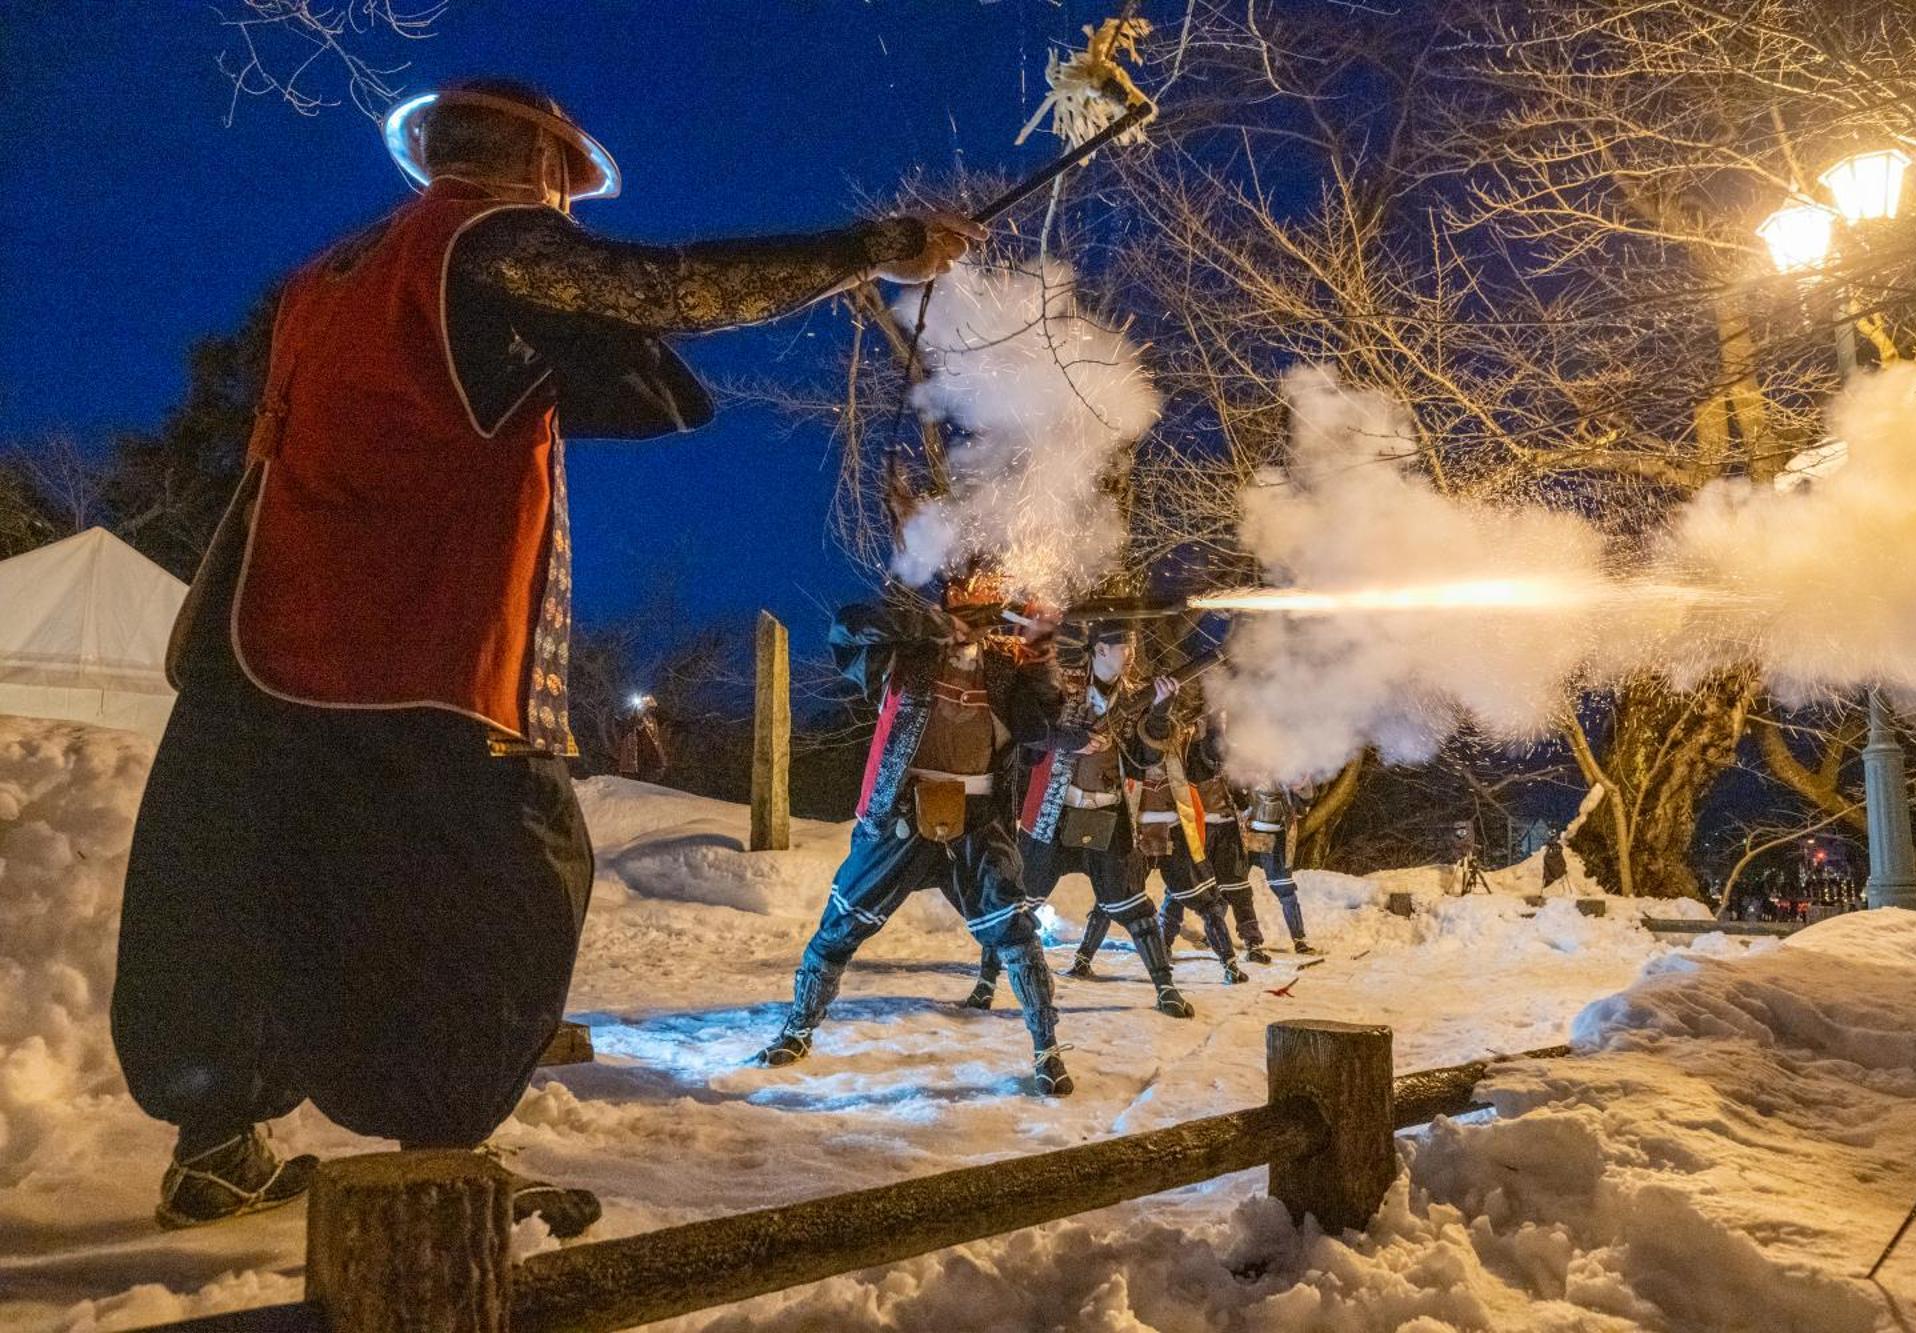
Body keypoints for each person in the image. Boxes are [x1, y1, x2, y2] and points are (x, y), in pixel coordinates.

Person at [110, 77, 982, 1232]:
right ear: (534, 164)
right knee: (504, 886)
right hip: (413, 646)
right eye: (566, 184)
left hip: (261, 643)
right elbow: (670, 289)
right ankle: (436, 1165)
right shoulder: (481, 238)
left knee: (255, 885)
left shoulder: (330, 275)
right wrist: (871, 248)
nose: (571, 208)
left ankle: (216, 1139)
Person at [753, 572, 1075, 1096]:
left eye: (988, 605)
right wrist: (930, 624)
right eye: (969, 605)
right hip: (899, 814)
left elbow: (1042, 722)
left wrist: (1041, 650)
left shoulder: (1003, 666)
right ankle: (798, 1028)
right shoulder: (905, 653)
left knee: (1015, 935)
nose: (981, 616)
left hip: (979, 820)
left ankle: (1047, 1050)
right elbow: (847, 628)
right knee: (841, 926)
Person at [969, 623, 1192, 1017]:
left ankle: (1165, 988)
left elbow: (1148, 759)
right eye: (1125, 645)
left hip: (1108, 815)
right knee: (1015, 906)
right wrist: (1070, 739)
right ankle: (986, 983)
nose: (1132, 654)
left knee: (1135, 908)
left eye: (1134, 645)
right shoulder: (1060, 687)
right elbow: (1028, 729)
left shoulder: (1137, 697)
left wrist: (1160, 711)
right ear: (1100, 649)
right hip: (1052, 817)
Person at [1074, 684, 1248, 984]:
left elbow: (1202, 771)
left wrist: (1215, 733)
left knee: (1207, 900)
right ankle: (1081, 960)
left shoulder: (1184, 734)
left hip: (1175, 825)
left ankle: (1229, 964)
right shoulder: (1126, 733)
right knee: (1111, 897)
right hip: (1133, 825)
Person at [1157, 714, 1270, 963]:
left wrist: (1248, 784)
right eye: (1218, 719)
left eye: (1224, 719)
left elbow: (1241, 798)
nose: (1223, 723)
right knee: (1179, 890)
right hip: (1196, 829)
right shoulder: (1190, 751)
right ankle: (1162, 943)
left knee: (1239, 889)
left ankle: (1253, 943)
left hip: (1227, 828)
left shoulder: (1233, 753)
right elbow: (1203, 764)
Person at [1241, 781, 1318, 954]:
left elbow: (1307, 800)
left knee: (1285, 891)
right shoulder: (1247, 765)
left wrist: (1304, 786)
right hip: (1247, 834)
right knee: (1233, 888)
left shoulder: (1288, 768)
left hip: (1278, 838)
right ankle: (1229, 935)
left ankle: (1299, 940)